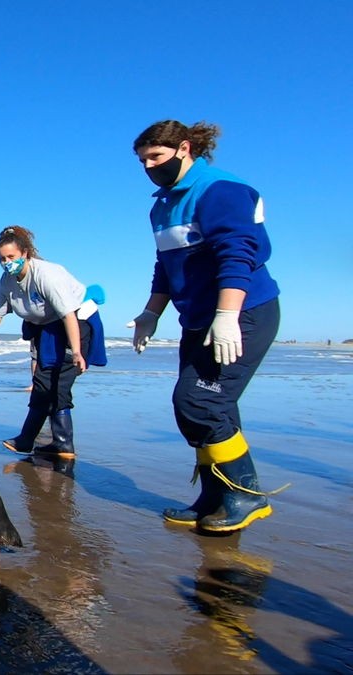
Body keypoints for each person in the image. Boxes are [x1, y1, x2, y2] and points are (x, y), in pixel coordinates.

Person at [129, 119, 285, 533]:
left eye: (156, 157)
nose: (148, 166)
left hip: (244, 312)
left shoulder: (219, 189)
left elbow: (238, 253)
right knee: (204, 409)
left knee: (200, 402)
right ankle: (216, 497)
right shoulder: (161, 205)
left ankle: (247, 495)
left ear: (184, 148)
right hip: (198, 320)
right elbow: (165, 265)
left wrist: (228, 315)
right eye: (142, 160)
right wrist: (151, 314)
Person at [0, 225, 106, 458]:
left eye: (11, 257)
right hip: (48, 328)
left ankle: (45, 441)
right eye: (2, 259)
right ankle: (46, 441)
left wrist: (76, 351)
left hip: (76, 323)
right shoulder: (6, 283)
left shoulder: (46, 275)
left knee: (54, 382)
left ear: (25, 253)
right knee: (46, 382)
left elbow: (68, 315)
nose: (7, 263)